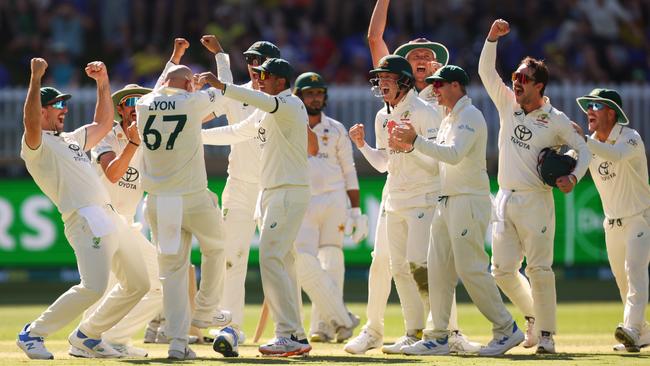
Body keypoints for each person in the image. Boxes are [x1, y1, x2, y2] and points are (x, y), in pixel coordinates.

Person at [346, 0, 479, 355]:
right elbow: (375, 38)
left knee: (427, 266)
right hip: (396, 191)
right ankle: (381, 330)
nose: (422, 57)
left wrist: (442, 79)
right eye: (415, 54)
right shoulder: (390, 99)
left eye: (427, 55)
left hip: (429, 192)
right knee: (385, 264)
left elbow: (446, 149)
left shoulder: (439, 97)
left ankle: (447, 333)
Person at [16, 58, 149, 360]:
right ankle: (33, 333)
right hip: (84, 219)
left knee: (139, 283)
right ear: (43, 110)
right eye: (57, 106)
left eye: (64, 105)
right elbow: (30, 120)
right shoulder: (35, 145)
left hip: (109, 215)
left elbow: (103, 124)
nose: (64, 110)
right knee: (93, 287)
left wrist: (103, 82)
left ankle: (88, 336)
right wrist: (35, 77)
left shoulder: (71, 140)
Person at [392, 65, 524, 356]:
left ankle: (507, 329)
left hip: (468, 200)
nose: (434, 90)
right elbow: (436, 163)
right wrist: (409, 148)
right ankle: (438, 336)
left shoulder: (470, 116)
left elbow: (453, 155)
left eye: (439, 85)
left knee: (471, 268)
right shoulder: (447, 119)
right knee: (437, 270)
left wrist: (416, 141)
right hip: (447, 200)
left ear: (455, 86)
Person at [478, 19, 591, 354]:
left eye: (524, 79)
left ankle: (547, 336)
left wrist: (573, 176)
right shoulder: (508, 105)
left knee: (539, 268)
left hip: (535, 200)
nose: (516, 82)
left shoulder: (556, 120)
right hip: (504, 197)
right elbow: (486, 73)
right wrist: (491, 39)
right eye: (515, 77)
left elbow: (582, 149)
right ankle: (532, 317)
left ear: (539, 85)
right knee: (501, 270)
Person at [200, 57, 312, 357]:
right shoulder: (266, 111)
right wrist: (192, 137)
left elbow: (251, 97)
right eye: (258, 75)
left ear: (280, 81)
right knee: (281, 261)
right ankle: (296, 332)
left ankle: (288, 334)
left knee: (271, 259)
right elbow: (236, 132)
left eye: (265, 76)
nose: (259, 79)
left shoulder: (288, 104)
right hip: (274, 193)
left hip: (286, 192)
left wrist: (221, 85)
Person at [136, 38, 228, 360]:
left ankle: (177, 342)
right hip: (192, 197)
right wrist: (220, 58)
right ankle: (205, 313)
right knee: (217, 249)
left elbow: (162, 86)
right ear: (188, 84)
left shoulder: (143, 104)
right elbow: (226, 91)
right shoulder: (192, 102)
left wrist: (175, 59)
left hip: (159, 201)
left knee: (172, 273)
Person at [348, 54, 439, 354]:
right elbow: (385, 163)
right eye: (379, 79)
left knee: (419, 265)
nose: (381, 84)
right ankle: (413, 333)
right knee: (398, 267)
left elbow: (438, 163)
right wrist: (362, 145)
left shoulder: (424, 112)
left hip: (423, 198)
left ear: (403, 81)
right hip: (395, 199)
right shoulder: (382, 116)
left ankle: (440, 331)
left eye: (387, 79)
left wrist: (410, 146)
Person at [65, 83, 162, 358]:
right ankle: (86, 342)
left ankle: (113, 339)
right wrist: (133, 143)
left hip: (126, 223)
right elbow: (113, 174)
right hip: (101, 221)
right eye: (129, 102)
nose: (135, 107)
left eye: (140, 102)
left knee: (159, 284)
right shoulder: (106, 135)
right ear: (120, 108)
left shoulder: (154, 137)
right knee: (101, 289)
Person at [199, 37, 281, 349]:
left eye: (260, 60)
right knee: (231, 258)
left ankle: (289, 330)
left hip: (273, 186)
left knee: (279, 259)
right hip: (239, 186)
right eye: (250, 60)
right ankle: (230, 329)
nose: (255, 65)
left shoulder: (285, 99)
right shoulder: (237, 94)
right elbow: (215, 102)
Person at [293, 71, 366, 343]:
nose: (315, 98)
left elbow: (349, 170)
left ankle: (323, 326)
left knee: (333, 260)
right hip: (304, 201)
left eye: (319, 93)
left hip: (334, 199)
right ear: (299, 97)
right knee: (306, 263)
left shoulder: (336, 128)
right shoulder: (290, 126)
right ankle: (341, 317)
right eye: (310, 93)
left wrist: (356, 210)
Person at [575, 88, 650, 352]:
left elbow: (615, 155)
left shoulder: (631, 138)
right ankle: (642, 333)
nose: (589, 111)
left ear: (611, 112)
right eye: (588, 106)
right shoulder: (590, 141)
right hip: (612, 223)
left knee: (635, 271)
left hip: (640, 218)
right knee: (622, 279)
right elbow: (572, 164)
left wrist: (582, 139)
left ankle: (630, 328)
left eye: (595, 105)